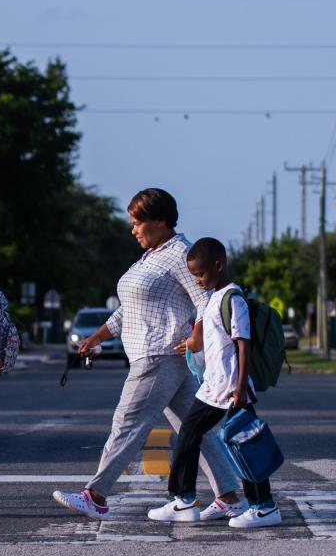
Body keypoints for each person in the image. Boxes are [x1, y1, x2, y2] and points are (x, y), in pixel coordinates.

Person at [52, 188, 243, 520]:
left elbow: (207, 299)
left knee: (127, 423)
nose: (133, 229)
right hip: (158, 356)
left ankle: (96, 494)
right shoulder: (151, 256)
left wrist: (196, 335)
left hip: (158, 354)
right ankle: (230, 496)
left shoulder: (180, 254)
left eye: (138, 222)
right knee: (196, 429)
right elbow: (128, 310)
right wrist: (97, 336)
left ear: (161, 220)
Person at [148, 237, 281, 527]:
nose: (197, 280)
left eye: (200, 274)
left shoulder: (233, 299)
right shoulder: (213, 298)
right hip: (213, 387)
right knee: (190, 435)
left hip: (232, 388)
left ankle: (264, 507)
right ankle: (183, 499)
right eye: (194, 274)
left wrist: (241, 387)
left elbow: (242, 343)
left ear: (218, 266)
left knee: (246, 444)